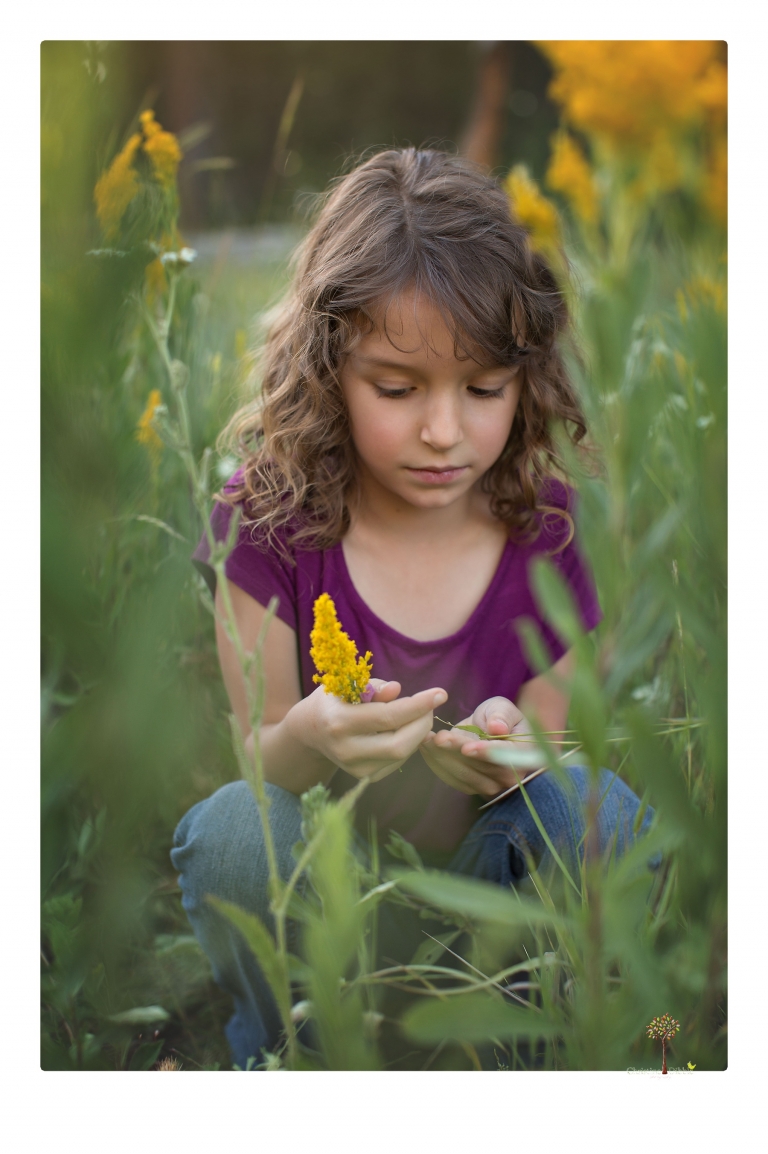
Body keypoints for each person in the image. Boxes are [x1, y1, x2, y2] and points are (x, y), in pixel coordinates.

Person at [171, 148, 654, 1069]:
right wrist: (312, 735)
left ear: (528, 376)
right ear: (327, 368)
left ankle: (500, 1053)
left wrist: (513, 747)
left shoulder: (552, 530)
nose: (444, 431)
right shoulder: (265, 520)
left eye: (484, 391)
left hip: (490, 894)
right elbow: (256, 751)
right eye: (397, 389)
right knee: (234, 826)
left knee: (604, 814)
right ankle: (283, 1051)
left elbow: (556, 754)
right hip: (324, 891)